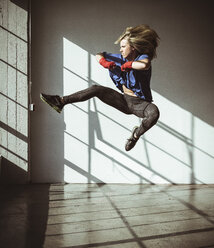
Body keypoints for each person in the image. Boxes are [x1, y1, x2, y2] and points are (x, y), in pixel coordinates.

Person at [40, 24, 160, 151]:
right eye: (120, 47)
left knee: (154, 114)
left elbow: (144, 65)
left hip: (140, 104)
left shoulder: (142, 57)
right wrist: (104, 62)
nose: (121, 50)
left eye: (123, 47)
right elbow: (99, 54)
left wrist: (129, 65)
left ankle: (135, 135)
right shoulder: (120, 58)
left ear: (133, 47)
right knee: (96, 89)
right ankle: (60, 101)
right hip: (123, 100)